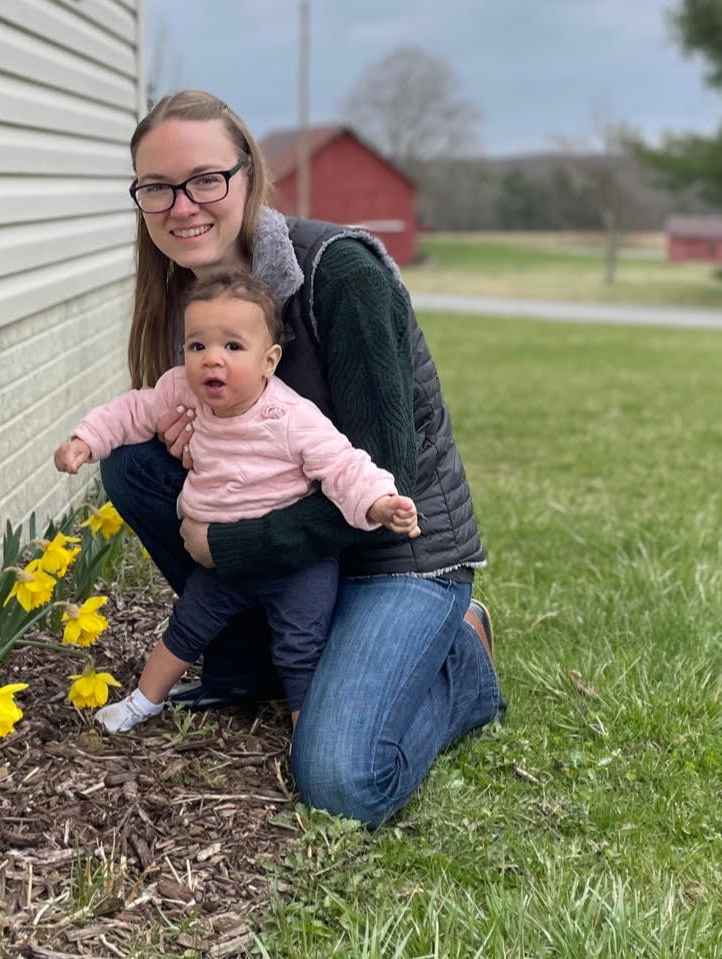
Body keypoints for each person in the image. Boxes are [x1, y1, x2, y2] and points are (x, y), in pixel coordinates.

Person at [96, 89, 505, 827]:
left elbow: (387, 479)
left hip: (396, 551)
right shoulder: (186, 299)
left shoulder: (339, 275)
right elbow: (206, 443)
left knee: (341, 780)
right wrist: (186, 448)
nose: (181, 205)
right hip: (296, 563)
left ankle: (464, 661)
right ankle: (253, 662)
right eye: (156, 187)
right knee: (130, 461)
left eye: (205, 180)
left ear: (248, 175)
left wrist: (230, 541)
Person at [55, 271, 419, 733]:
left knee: (300, 648)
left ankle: (305, 733)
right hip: (222, 560)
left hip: (296, 565)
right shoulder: (181, 391)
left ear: (269, 361)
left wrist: (380, 502)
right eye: (197, 346)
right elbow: (131, 411)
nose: (212, 361)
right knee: (185, 629)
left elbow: (343, 466)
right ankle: (143, 702)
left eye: (232, 347)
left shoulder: (291, 418)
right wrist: (85, 441)